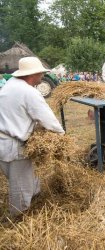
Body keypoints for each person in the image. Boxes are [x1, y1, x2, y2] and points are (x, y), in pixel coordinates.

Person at [0, 57, 65, 216]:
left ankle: (33, 201)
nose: (42, 76)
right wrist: (61, 135)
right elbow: (46, 118)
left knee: (24, 179)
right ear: (32, 75)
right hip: (14, 145)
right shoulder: (29, 92)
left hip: (3, 140)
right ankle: (17, 220)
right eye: (40, 73)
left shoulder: (9, 86)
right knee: (20, 187)